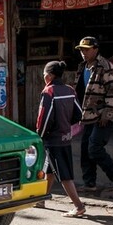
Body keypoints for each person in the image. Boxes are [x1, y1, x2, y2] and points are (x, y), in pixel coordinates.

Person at [73, 36, 113, 194]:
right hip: (88, 116)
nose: (83, 53)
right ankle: (89, 183)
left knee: (94, 148)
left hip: (103, 116)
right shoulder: (83, 67)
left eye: (86, 49)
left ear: (95, 49)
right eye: (82, 50)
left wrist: (108, 113)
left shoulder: (105, 66)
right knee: (85, 149)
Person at [36, 60, 85, 217]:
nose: (43, 77)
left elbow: (45, 118)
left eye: (44, 74)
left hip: (54, 138)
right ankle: (41, 199)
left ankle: (78, 206)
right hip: (66, 137)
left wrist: (40, 135)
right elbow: (79, 114)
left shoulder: (49, 92)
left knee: (64, 174)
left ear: (49, 76)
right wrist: (65, 126)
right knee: (50, 168)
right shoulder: (70, 90)